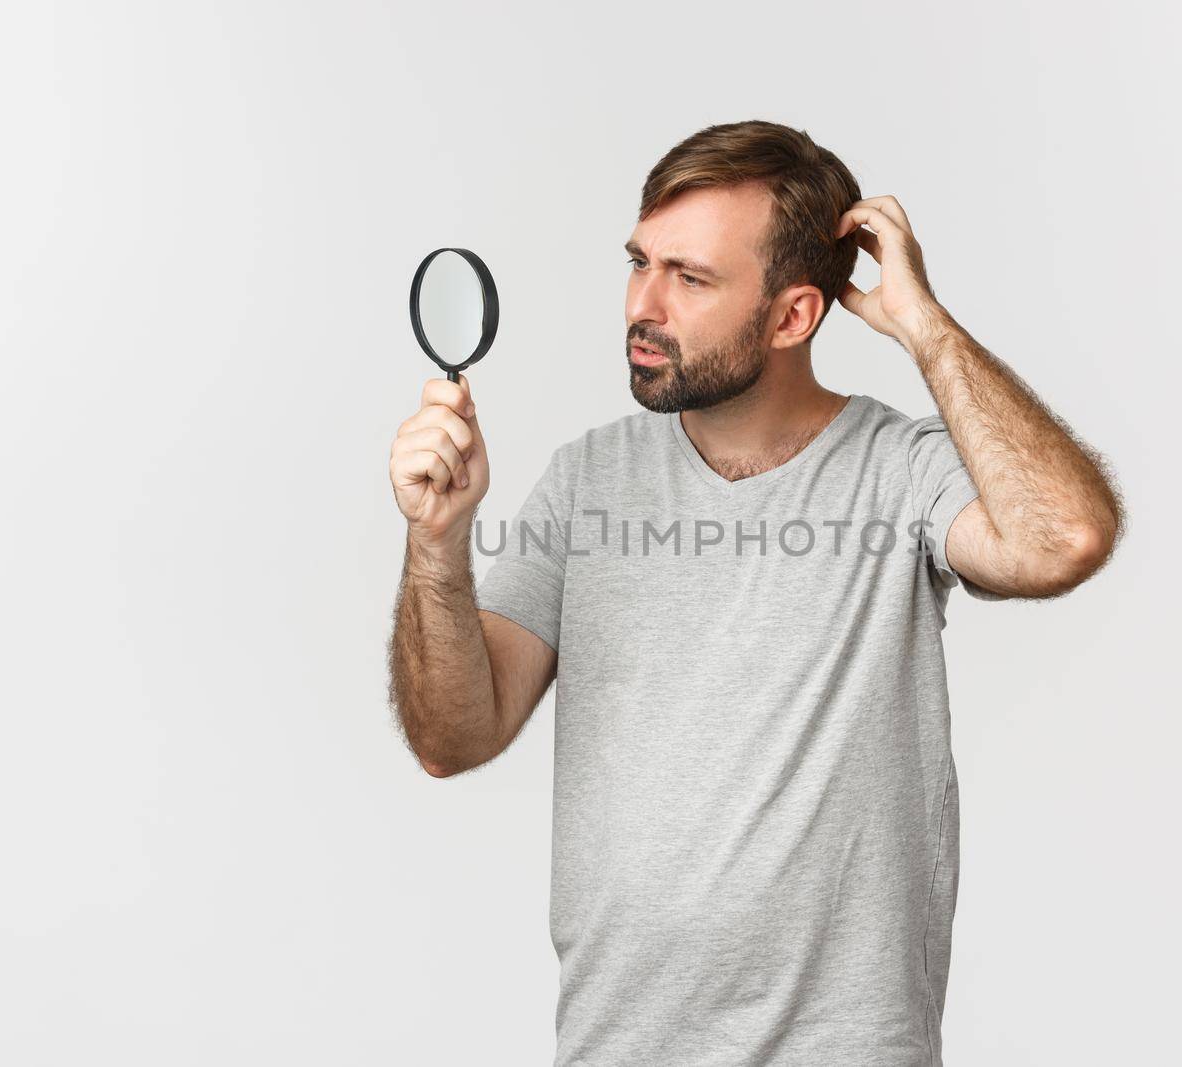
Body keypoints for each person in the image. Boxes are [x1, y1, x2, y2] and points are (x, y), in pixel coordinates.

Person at [387, 119, 1123, 1066]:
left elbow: (1064, 536)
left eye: (690, 279)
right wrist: (437, 542)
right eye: (640, 262)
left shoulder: (898, 470)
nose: (642, 305)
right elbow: (453, 737)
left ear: (793, 317)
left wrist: (926, 329)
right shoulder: (587, 480)